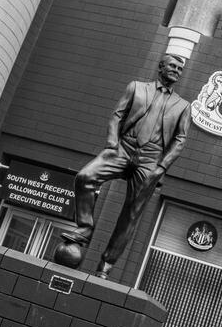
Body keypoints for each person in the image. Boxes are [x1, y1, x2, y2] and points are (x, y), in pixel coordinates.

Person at [59, 53, 191, 279]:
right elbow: (117, 114)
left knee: (131, 213)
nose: (176, 71)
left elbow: (180, 139)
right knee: (85, 177)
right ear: (160, 67)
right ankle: (84, 229)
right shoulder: (137, 87)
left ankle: (106, 264)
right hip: (123, 148)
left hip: (151, 159)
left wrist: (162, 166)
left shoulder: (183, 106)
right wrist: (112, 144)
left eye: (180, 69)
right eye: (172, 66)